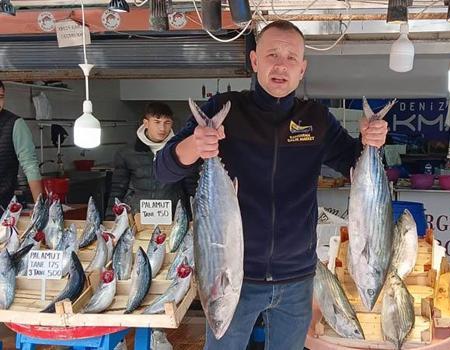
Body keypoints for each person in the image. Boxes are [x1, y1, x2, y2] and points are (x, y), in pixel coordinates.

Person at [155, 20, 389, 350]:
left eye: (292, 57)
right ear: (254, 61)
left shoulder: (317, 119)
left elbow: (360, 166)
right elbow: (163, 170)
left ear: (303, 68)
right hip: (232, 274)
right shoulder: (225, 110)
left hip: (297, 279)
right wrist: (194, 146)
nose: (281, 65)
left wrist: (373, 141)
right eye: (272, 54)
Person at [108, 102, 196, 216]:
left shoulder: (181, 151)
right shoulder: (126, 153)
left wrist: (195, 218)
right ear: (146, 123)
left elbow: (192, 188)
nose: (162, 128)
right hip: (136, 217)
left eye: (167, 122)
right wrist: (109, 218)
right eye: (157, 122)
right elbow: (117, 189)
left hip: (174, 217)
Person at [0, 81, 43, 206]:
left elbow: (30, 166)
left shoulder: (15, 124)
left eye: (1, 97)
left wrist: (39, 207)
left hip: (3, 208)